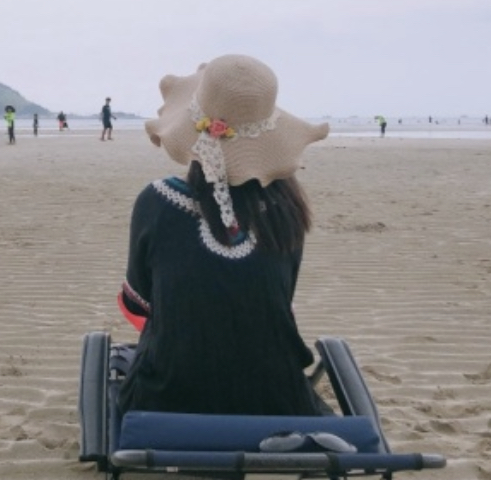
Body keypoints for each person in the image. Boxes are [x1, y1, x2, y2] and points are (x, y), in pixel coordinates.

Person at [116, 54, 331, 417]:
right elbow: (280, 300)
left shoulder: (156, 202)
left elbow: (138, 304)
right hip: (276, 400)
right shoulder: (287, 212)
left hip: (169, 397)